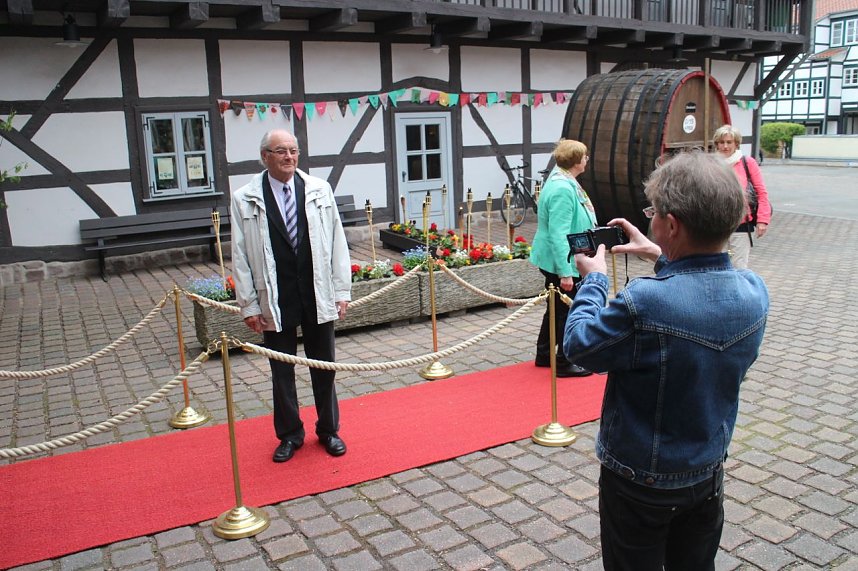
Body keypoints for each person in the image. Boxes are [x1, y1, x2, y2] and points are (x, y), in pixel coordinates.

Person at [564, 151, 769, 570]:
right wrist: (659, 252)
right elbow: (700, 290)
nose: (650, 218)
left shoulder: (646, 300)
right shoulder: (753, 292)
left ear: (671, 224)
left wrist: (594, 280)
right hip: (706, 472)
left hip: (641, 481)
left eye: (653, 212)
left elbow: (579, 346)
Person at [231, 129, 352, 463]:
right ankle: (289, 435)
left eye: (293, 151)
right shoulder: (245, 197)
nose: (289, 157)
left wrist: (341, 291)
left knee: (324, 365)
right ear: (265, 156)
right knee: (281, 370)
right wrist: (249, 306)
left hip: (316, 291)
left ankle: (329, 429)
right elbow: (239, 256)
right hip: (276, 295)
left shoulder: (319, 189)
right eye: (280, 151)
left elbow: (337, 243)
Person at [529, 139, 597, 377]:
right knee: (567, 310)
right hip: (560, 260)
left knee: (556, 308)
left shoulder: (564, 179)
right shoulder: (562, 188)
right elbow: (560, 233)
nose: (587, 159)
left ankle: (544, 354)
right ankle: (564, 361)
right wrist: (565, 272)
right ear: (576, 161)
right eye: (585, 156)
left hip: (558, 257)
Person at [713, 124, 772, 269]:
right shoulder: (711, 164)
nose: (725, 146)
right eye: (722, 142)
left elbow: (761, 192)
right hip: (715, 225)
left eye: (729, 142)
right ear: (717, 144)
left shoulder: (747, 162)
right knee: (716, 267)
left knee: (738, 267)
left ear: (736, 144)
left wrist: (763, 220)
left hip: (740, 224)